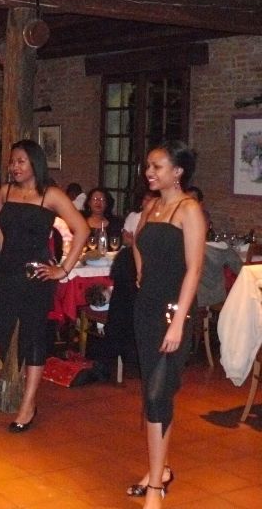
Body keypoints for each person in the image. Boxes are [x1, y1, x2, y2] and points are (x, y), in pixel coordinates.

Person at [0, 140, 88, 425]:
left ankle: (28, 406)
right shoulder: (6, 191)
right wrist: (2, 255)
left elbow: (81, 229)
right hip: (6, 270)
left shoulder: (51, 194)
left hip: (34, 274)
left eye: (21, 161)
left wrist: (63, 269)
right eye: (12, 161)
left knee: (33, 337)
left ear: (35, 163)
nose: (14, 167)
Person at [126, 141, 205, 509]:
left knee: (158, 394)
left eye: (157, 166)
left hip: (174, 311)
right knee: (154, 394)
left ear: (178, 172)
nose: (149, 172)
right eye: (148, 166)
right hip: (146, 308)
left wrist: (177, 324)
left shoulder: (189, 210)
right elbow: (136, 241)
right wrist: (141, 270)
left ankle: (155, 486)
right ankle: (161, 470)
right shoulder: (152, 207)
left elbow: (195, 269)